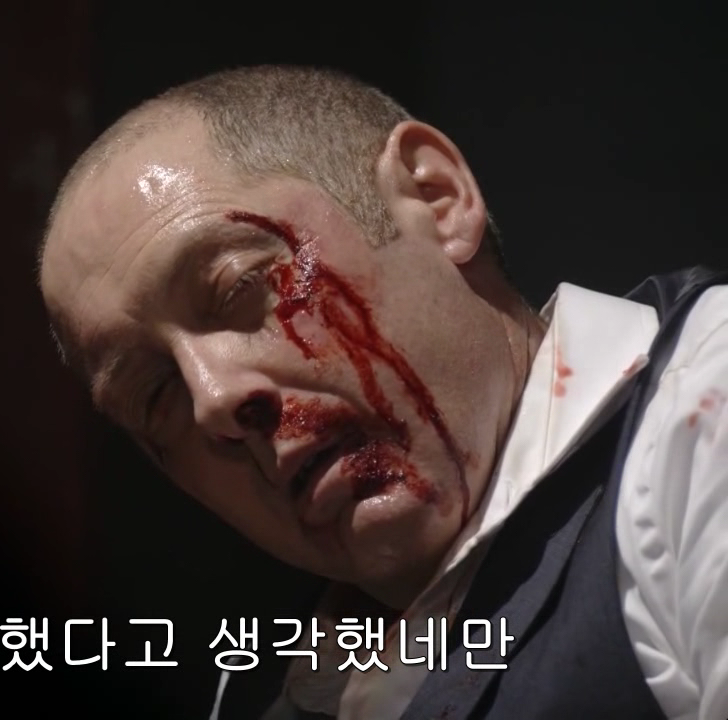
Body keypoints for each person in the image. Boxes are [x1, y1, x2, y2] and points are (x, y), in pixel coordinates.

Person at [36, 65, 727, 720]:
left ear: (437, 199)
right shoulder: (269, 681)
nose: (212, 398)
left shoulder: (698, 420)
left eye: (239, 286)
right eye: (155, 395)